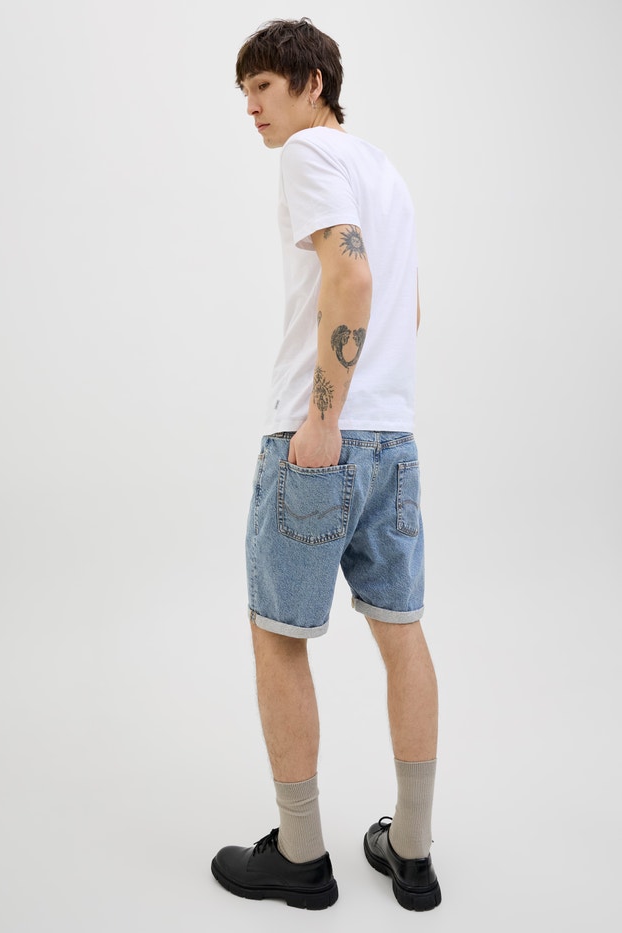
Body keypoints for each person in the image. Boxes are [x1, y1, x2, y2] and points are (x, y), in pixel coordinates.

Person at [210, 18, 441, 912]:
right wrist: (369, 410)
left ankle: (301, 856)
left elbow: (353, 279)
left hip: (322, 436)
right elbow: (407, 309)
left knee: (277, 634)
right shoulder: (385, 170)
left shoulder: (310, 153)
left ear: (312, 83)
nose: (252, 108)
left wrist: (321, 418)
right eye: (245, 94)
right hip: (394, 440)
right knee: (402, 633)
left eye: (263, 87)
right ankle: (411, 850)